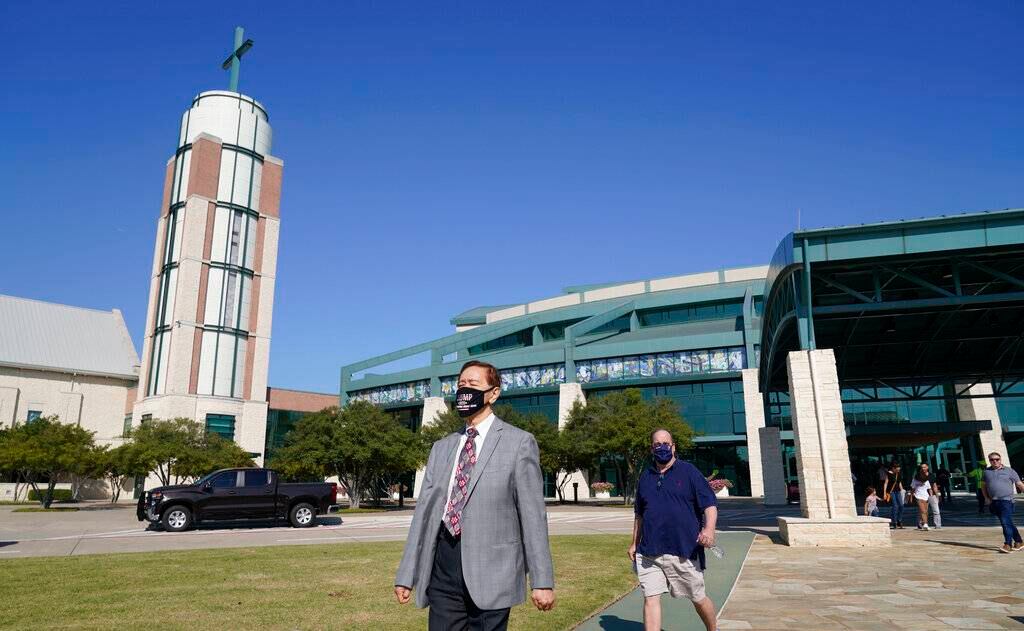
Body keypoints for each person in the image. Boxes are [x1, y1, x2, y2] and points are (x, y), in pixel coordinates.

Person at [394, 360, 555, 630]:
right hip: (443, 568)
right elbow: (423, 515)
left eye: (473, 384)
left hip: (494, 572)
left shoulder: (519, 442)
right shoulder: (441, 447)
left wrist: (542, 581)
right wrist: (406, 574)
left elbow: (533, 516)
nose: (465, 390)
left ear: (494, 393)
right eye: (461, 385)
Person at [629, 429, 719, 631]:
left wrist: (709, 530)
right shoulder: (645, 477)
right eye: (657, 444)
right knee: (650, 598)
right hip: (649, 552)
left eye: (665, 444)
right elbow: (639, 514)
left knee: (698, 597)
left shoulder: (689, 472)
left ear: (673, 447)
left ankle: (713, 629)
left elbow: (710, 505)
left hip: (683, 550)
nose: (661, 447)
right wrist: (634, 543)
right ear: (651, 449)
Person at [981, 452, 1024, 553]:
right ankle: (1019, 541)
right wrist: (986, 498)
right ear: (989, 461)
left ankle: (1007, 544)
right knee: (1007, 522)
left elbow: (1019, 484)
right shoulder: (986, 472)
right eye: (992, 460)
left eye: (997, 459)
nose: (995, 461)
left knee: (1005, 522)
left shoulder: (1010, 471)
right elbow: (983, 486)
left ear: (1000, 459)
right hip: (994, 501)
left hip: (1007, 501)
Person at [910, 464, 937, 530]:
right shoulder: (915, 480)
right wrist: (911, 497)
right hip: (918, 496)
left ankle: (923, 523)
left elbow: (929, 489)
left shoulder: (926, 481)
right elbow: (912, 489)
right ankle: (925, 524)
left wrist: (931, 496)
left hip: (926, 496)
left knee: (926, 511)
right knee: (923, 510)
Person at [883, 462, 905, 529]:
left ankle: (899, 520)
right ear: (893, 468)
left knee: (901, 505)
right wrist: (884, 493)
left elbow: (899, 483)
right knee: (895, 506)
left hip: (898, 491)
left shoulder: (898, 474)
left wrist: (902, 490)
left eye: (899, 468)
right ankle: (894, 522)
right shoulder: (888, 474)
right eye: (897, 468)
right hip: (891, 492)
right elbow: (886, 483)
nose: (898, 469)